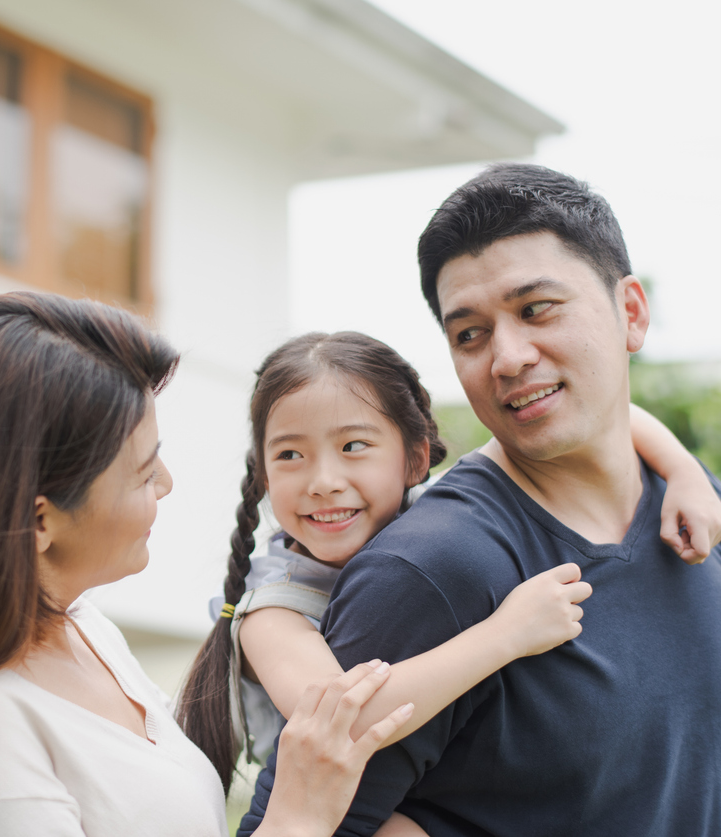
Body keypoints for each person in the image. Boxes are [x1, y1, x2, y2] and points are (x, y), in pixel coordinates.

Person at [239, 164, 721, 837]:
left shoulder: (695, 509)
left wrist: (690, 473)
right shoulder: (434, 568)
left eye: (536, 309)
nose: (508, 357)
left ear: (631, 313)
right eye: (470, 334)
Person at [0, 292, 414, 837]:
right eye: (143, 474)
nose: (168, 484)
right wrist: (298, 821)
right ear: (38, 521)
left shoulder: (86, 633)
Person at [176, 333, 710, 837]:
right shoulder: (271, 611)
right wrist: (505, 636)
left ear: (413, 458)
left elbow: (609, 417)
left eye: (354, 446)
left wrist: (683, 471)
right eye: (290, 455)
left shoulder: (441, 517)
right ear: (263, 473)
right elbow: (347, 717)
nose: (322, 481)